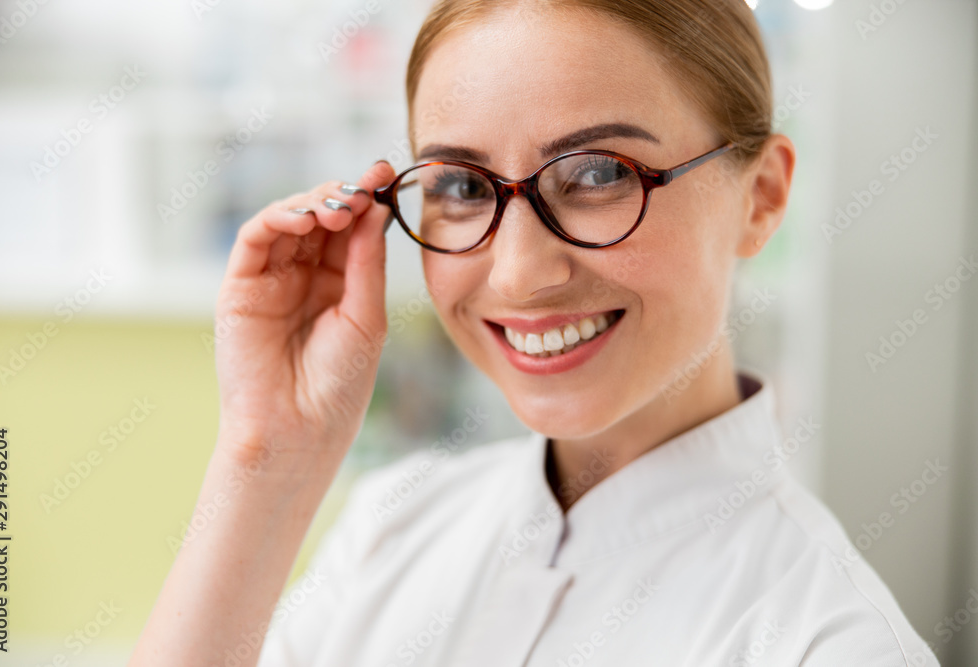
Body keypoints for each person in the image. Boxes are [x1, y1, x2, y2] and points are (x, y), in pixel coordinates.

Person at [129, 0, 939, 665]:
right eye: (459, 184)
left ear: (759, 197)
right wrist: (268, 457)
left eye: (598, 174)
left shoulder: (827, 640)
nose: (516, 274)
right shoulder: (391, 525)